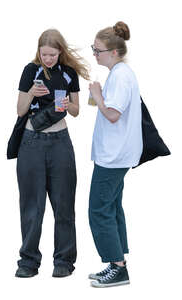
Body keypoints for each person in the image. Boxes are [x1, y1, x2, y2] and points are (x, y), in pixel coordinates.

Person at [15, 29, 89, 278]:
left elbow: (77, 110)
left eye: (52, 54)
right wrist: (31, 95)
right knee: (31, 206)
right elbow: (20, 109)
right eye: (44, 54)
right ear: (38, 51)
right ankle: (28, 261)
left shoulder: (69, 73)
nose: (47, 59)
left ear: (61, 52)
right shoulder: (30, 70)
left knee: (64, 204)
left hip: (60, 140)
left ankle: (64, 261)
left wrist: (70, 104)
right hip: (31, 140)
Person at [88, 21, 143, 287]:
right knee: (111, 207)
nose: (94, 54)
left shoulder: (120, 76)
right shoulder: (120, 73)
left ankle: (118, 269)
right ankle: (116, 261)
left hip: (113, 157)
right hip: (116, 154)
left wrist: (97, 96)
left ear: (113, 52)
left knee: (98, 210)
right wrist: (100, 96)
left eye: (97, 50)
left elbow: (112, 114)